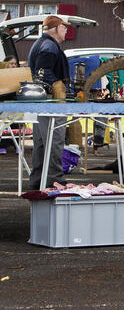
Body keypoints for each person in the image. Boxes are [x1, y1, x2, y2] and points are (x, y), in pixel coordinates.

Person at [28, 15, 71, 188]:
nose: (66, 30)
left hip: (42, 101)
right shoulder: (49, 46)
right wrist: (58, 85)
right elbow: (43, 72)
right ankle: (55, 181)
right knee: (54, 141)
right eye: (64, 27)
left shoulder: (42, 43)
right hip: (51, 101)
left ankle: (38, 181)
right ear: (56, 28)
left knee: (41, 144)